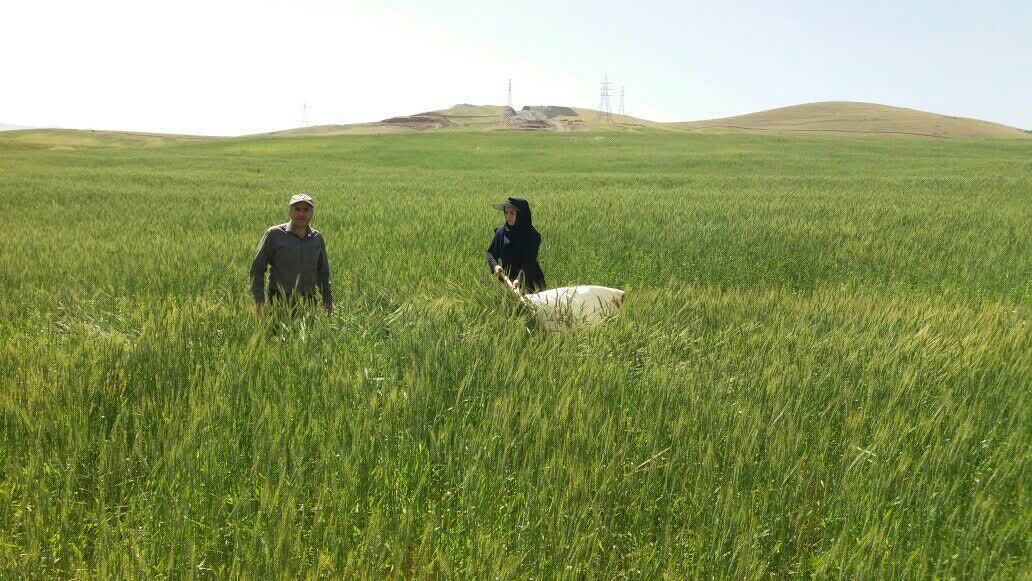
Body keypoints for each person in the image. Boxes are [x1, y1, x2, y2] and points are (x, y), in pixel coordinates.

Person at [250, 193, 334, 315]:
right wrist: (259, 302)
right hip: (279, 300)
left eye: (306, 210)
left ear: (312, 213)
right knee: (277, 333)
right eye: (297, 209)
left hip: (308, 301)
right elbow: (257, 270)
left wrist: (327, 301)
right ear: (290, 212)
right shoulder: (274, 234)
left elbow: (323, 273)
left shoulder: (317, 238)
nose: (301, 214)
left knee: (309, 334)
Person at [487, 196, 546, 293]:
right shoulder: (501, 232)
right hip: (506, 279)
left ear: (521, 215)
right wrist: (495, 266)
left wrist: (519, 279)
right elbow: (490, 253)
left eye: (512, 213)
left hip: (529, 279)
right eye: (506, 212)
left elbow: (529, 262)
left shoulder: (532, 236)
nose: (508, 216)